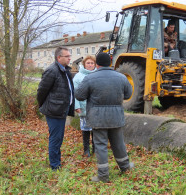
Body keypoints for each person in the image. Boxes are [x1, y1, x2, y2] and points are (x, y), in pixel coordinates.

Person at [75, 52, 134, 183]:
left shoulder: (90, 78)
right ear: (110, 63)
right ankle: (125, 168)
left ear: (97, 64)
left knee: (100, 145)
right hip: (116, 116)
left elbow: (79, 95)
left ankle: (103, 175)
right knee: (118, 143)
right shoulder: (121, 77)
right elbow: (128, 94)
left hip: (98, 118)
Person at [37, 46, 75, 171]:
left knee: (58, 137)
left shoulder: (64, 70)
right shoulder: (52, 71)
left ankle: (56, 162)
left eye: (70, 56)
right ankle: (55, 166)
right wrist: (45, 105)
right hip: (54, 111)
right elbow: (41, 91)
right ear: (59, 57)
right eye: (67, 56)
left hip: (61, 110)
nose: (70, 58)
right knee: (55, 138)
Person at [73, 55, 96, 157]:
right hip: (84, 106)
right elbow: (75, 92)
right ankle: (86, 150)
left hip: (96, 107)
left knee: (95, 130)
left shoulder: (97, 75)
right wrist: (76, 105)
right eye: (88, 63)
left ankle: (96, 149)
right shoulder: (78, 77)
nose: (90, 65)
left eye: (92, 63)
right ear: (84, 64)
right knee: (86, 130)